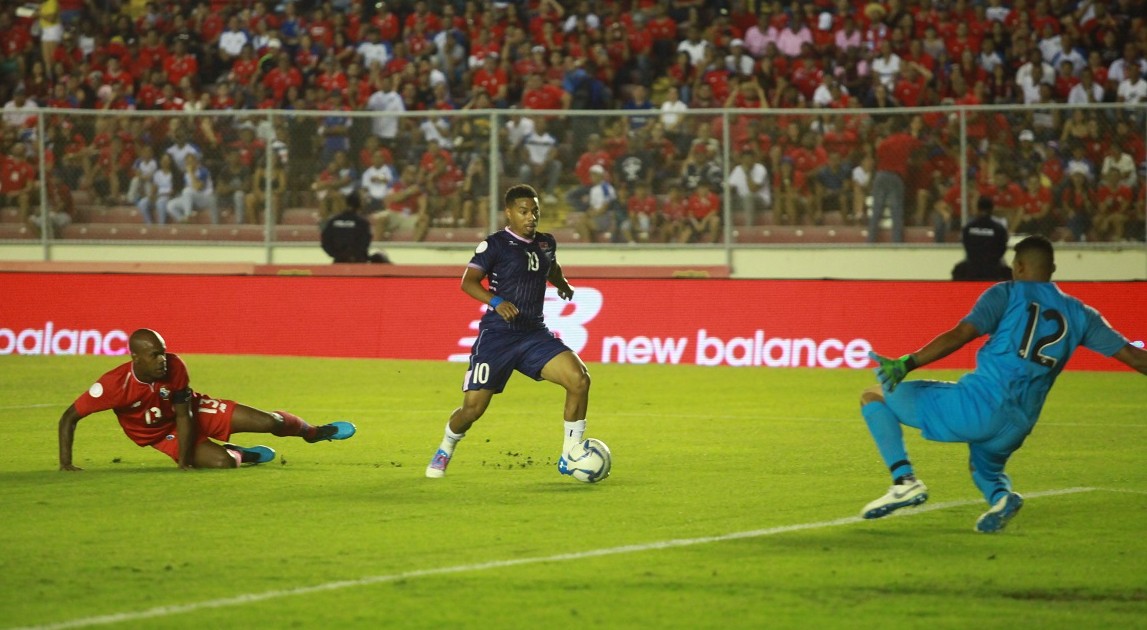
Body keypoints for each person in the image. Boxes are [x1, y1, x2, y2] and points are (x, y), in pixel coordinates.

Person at [859, 236, 1147, 532]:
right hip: (1018, 425)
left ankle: (904, 481)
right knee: (983, 468)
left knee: (873, 396)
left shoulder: (1006, 294)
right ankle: (1001, 498)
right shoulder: (1082, 314)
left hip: (979, 407)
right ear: (1053, 268)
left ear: (1019, 267)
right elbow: (1136, 358)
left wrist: (908, 363)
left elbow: (961, 334)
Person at [425, 184, 592, 479]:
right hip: (498, 337)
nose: (531, 217)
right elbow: (469, 282)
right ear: (509, 213)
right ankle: (446, 446)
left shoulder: (545, 243)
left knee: (579, 380)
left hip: (533, 334)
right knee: (473, 410)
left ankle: (571, 454)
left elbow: (551, 267)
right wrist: (497, 300)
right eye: (524, 211)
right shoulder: (495, 245)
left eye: (535, 212)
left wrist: (562, 283)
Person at [58, 329, 356, 471]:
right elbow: (69, 418)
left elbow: (185, 414)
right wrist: (66, 465)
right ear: (135, 357)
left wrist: (185, 463)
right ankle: (240, 454)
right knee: (223, 464)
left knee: (270, 421)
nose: (163, 359)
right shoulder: (112, 385)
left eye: (163, 351)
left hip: (191, 412)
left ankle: (314, 432)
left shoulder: (175, 366)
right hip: (163, 434)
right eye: (154, 355)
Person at [952, 197, 1012, 281]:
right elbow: (1002, 248)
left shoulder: (969, 227)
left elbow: (966, 245)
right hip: (993, 270)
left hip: (972, 269)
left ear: (977, 208)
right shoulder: (999, 229)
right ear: (992, 209)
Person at [321, 192, 389, 263]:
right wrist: (353, 256)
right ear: (359, 205)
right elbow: (365, 243)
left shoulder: (333, 221)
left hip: (339, 262)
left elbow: (325, 241)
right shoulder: (362, 223)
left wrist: (337, 255)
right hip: (358, 262)